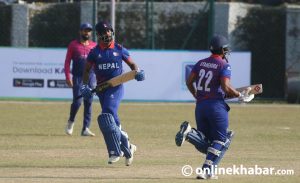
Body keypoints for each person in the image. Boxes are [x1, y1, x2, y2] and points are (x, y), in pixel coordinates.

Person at [175, 35, 254, 179]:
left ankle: (194, 142)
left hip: (201, 106)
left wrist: (197, 96)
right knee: (221, 140)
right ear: (222, 49)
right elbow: (225, 87)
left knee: (207, 142)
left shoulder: (201, 62)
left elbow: (189, 82)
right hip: (216, 107)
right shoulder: (224, 65)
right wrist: (240, 95)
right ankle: (203, 165)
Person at [80, 21, 145, 166]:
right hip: (101, 89)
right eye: (104, 33)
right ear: (98, 35)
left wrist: (138, 72)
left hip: (116, 86)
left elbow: (132, 65)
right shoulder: (95, 52)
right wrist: (84, 85)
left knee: (107, 114)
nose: (107, 34)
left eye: (109, 31)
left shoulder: (119, 49)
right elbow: (86, 70)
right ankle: (128, 145)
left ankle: (115, 151)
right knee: (111, 120)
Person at [64, 23, 97, 137]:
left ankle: (85, 128)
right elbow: (67, 62)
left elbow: (97, 63)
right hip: (78, 77)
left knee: (88, 103)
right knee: (77, 102)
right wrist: (68, 77)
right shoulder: (73, 45)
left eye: (89, 30)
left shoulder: (94, 46)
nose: (87, 32)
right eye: (85, 30)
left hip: (91, 77)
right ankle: (71, 121)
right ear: (80, 31)